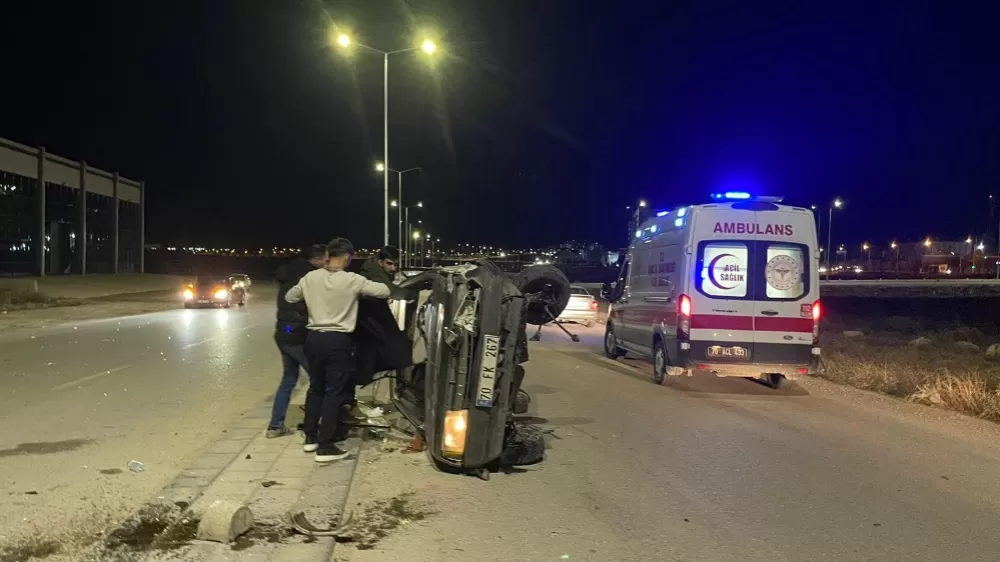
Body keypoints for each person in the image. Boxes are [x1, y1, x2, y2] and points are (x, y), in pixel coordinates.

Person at [285, 237, 392, 463]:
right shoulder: (352, 279)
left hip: (313, 340)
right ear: (347, 258)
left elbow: (290, 296)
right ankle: (325, 447)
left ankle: (310, 438)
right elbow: (383, 290)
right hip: (338, 341)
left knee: (316, 388)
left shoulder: (311, 277)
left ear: (327, 256)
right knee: (334, 391)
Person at [266, 244, 328, 438]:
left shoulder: (289, 272)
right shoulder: (309, 277)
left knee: (289, 379)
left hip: (284, 333)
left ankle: (275, 425)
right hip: (297, 335)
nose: (327, 265)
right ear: (316, 260)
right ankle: (316, 424)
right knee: (319, 378)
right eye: (325, 261)